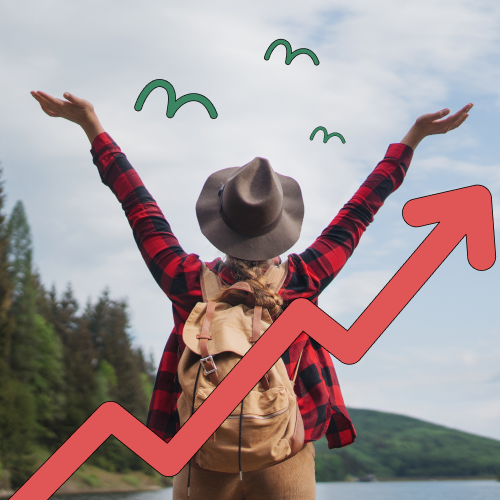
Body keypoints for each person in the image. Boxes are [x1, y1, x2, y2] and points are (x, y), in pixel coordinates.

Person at [31, 90, 472, 500]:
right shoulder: (303, 278)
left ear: (219, 223)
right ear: (280, 229)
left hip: (204, 454)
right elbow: (359, 211)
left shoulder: (186, 280)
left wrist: (91, 126)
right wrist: (412, 139)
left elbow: (139, 206)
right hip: (286, 449)